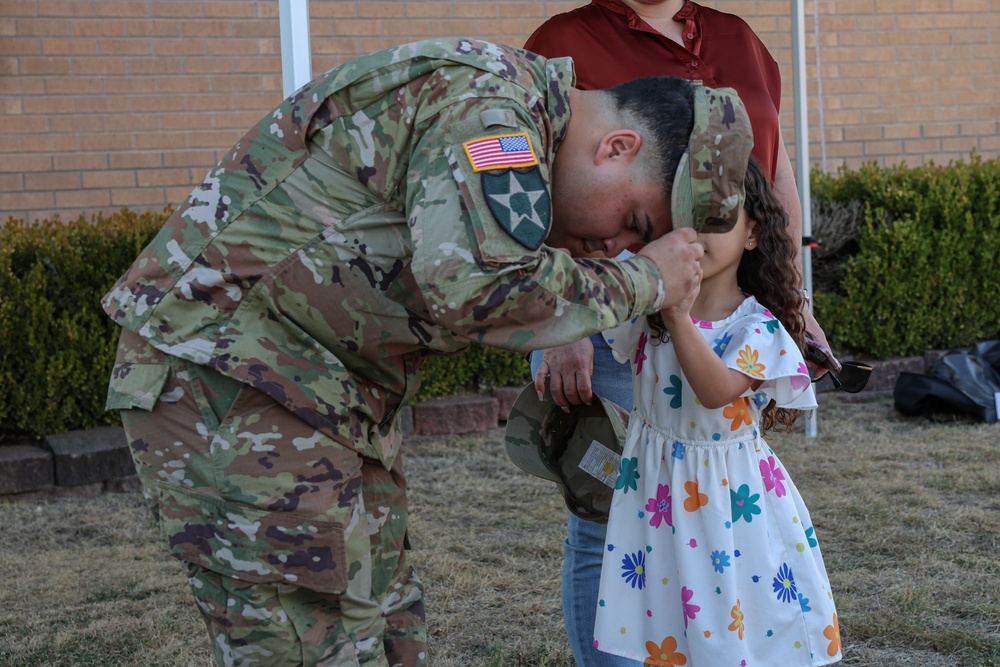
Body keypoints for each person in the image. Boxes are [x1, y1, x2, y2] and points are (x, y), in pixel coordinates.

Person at [101, 37, 754, 667]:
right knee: (308, 641)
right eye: (634, 224)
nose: (617, 245)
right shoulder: (489, 109)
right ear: (617, 147)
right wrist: (645, 280)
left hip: (323, 390)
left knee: (387, 631)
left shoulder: (516, 113)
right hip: (231, 373)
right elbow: (474, 286)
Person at [523, 3, 832, 664]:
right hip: (617, 312)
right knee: (607, 514)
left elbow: (773, 175)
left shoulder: (738, 40)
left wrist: (793, 296)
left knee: (706, 538)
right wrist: (562, 323)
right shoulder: (563, 41)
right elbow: (535, 189)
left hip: (700, 312)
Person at [593, 157, 841, 665]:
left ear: (753, 234)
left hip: (727, 501)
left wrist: (675, 313)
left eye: (718, 219)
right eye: (686, 215)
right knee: (663, 614)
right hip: (656, 492)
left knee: (727, 611)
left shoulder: (757, 326)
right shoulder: (649, 309)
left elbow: (715, 390)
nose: (698, 233)